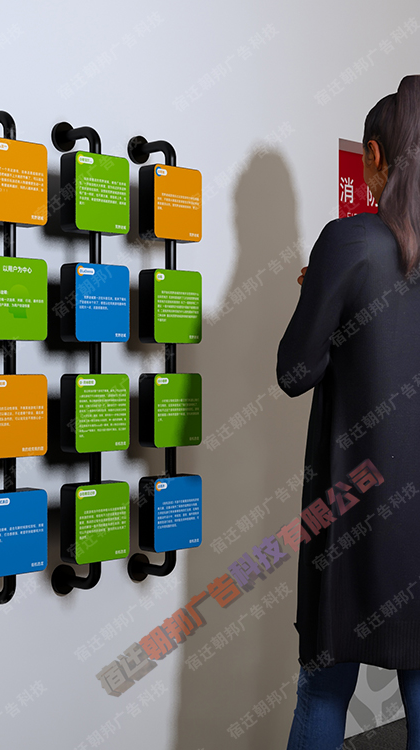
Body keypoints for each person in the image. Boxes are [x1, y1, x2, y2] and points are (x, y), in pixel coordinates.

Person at [277, 75, 420, 750]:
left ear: (376, 155)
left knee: (326, 685)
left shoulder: (350, 241)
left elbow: (294, 372)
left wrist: (323, 301)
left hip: (353, 507)